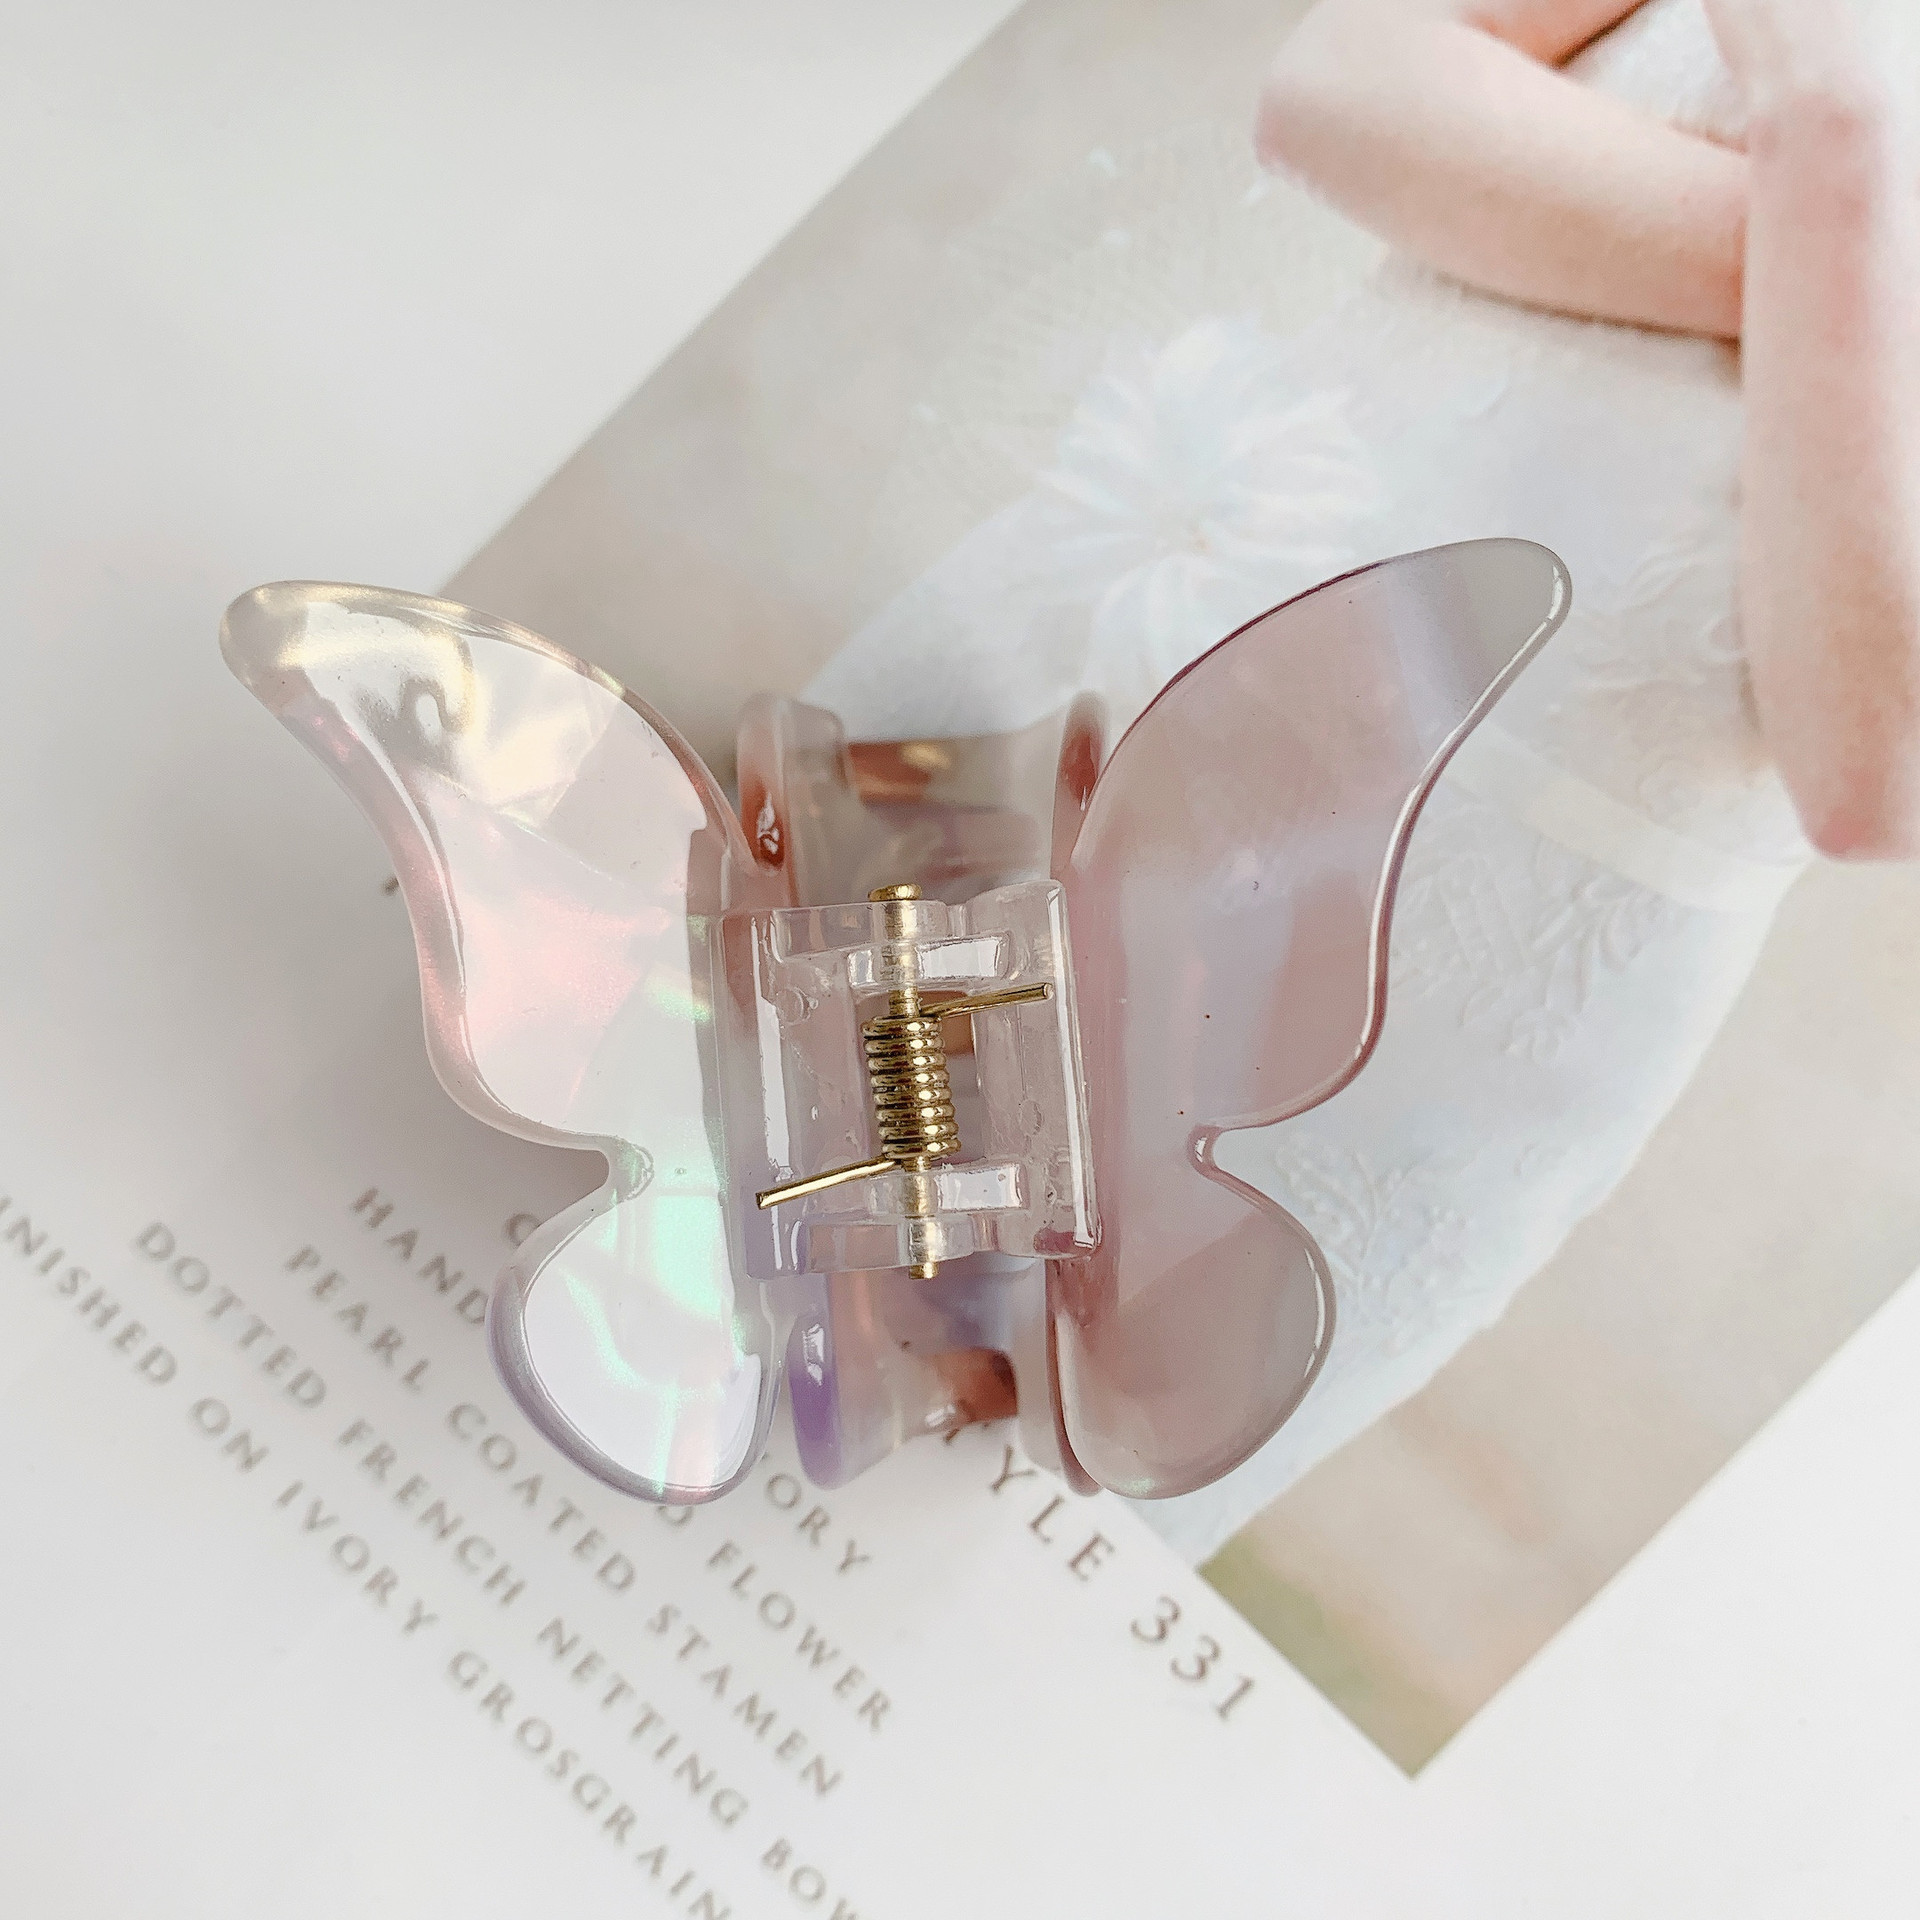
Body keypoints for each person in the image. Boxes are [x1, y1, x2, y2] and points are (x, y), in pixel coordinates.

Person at [804, 0, 1920, 1559]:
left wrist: (1837, 129)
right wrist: (1850, 290)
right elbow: (1342, 85)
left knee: (923, 1537)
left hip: (1460, 995)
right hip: (1148, 662)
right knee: (647, 1147)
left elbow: (1872, 757)